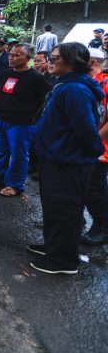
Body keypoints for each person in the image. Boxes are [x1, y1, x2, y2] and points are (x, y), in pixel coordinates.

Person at [29, 42, 104, 275]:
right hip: (56, 160)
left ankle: (63, 261)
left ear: (71, 62)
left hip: (69, 163)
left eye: (54, 58)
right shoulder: (64, 85)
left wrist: (89, 154)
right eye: (50, 58)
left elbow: (86, 130)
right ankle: (54, 248)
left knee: (65, 212)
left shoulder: (75, 90)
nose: (49, 62)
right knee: (54, 208)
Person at [0, 44, 50, 197]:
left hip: (22, 124)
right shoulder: (6, 73)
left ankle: (15, 185)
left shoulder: (36, 78)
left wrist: (34, 119)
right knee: (0, 152)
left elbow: (45, 102)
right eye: (11, 54)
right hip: (0, 119)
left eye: (17, 55)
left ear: (28, 58)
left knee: (19, 155)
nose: (11, 58)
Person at [81, 48, 108, 246]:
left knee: (95, 189)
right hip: (87, 146)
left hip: (100, 149)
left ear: (91, 63)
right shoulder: (89, 82)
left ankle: (102, 227)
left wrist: (94, 142)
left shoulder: (104, 83)